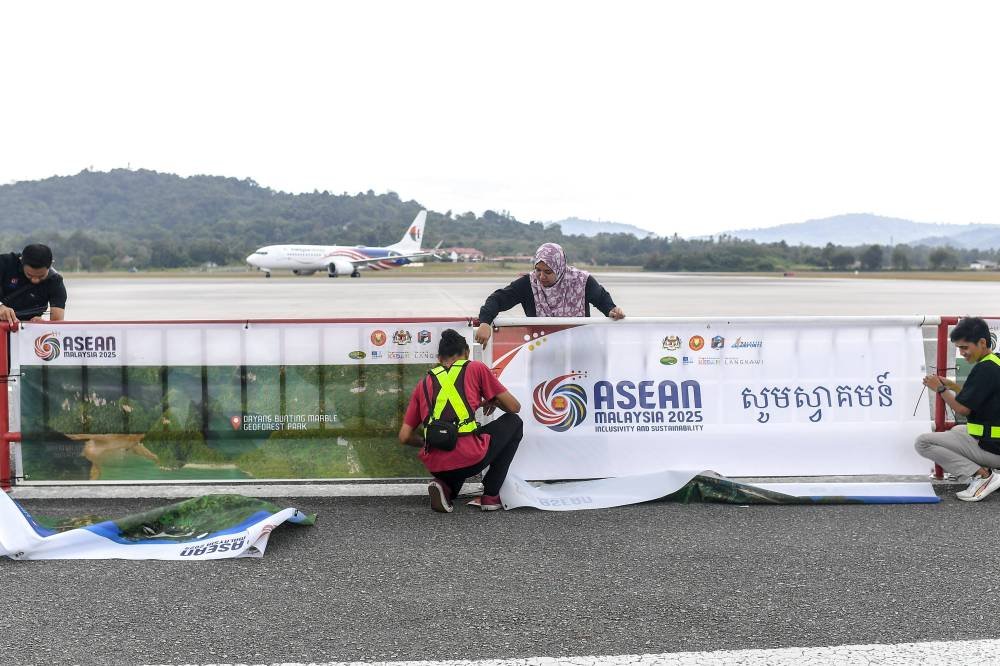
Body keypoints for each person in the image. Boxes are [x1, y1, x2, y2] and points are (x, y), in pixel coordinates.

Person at [398, 328, 523, 513]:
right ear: (467, 353)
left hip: (436, 464)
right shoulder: (475, 367)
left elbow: (404, 436)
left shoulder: (423, 383)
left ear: (439, 359)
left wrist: (429, 441)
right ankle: (491, 495)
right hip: (470, 459)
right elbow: (514, 407)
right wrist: (493, 401)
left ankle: (445, 487)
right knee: (514, 423)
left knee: (454, 444)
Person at [915, 316, 1000, 502]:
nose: (962, 353)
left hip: (995, 448)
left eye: (964, 347)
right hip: (995, 441)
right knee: (957, 430)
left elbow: (963, 409)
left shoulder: (984, 370)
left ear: (982, 342)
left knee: (923, 442)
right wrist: (952, 387)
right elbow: (978, 400)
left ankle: (983, 477)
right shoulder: (995, 363)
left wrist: (939, 389)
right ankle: (987, 472)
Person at [475, 242, 625, 346]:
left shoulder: (581, 280)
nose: (541, 276)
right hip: (543, 353)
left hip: (581, 352)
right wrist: (485, 322)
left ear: (559, 268)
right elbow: (497, 299)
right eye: (538, 270)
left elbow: (601, 298)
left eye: (548, 272)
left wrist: (611, 309)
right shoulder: (528, 284)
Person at [0, 244, 66, 324]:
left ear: (51, 264)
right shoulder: (5, 263)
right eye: (29, 275)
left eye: (41, 276)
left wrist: (44, 324)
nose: (35, 280)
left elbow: (57, 321)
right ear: (21, 261)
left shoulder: (55, 281)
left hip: (27, 330)